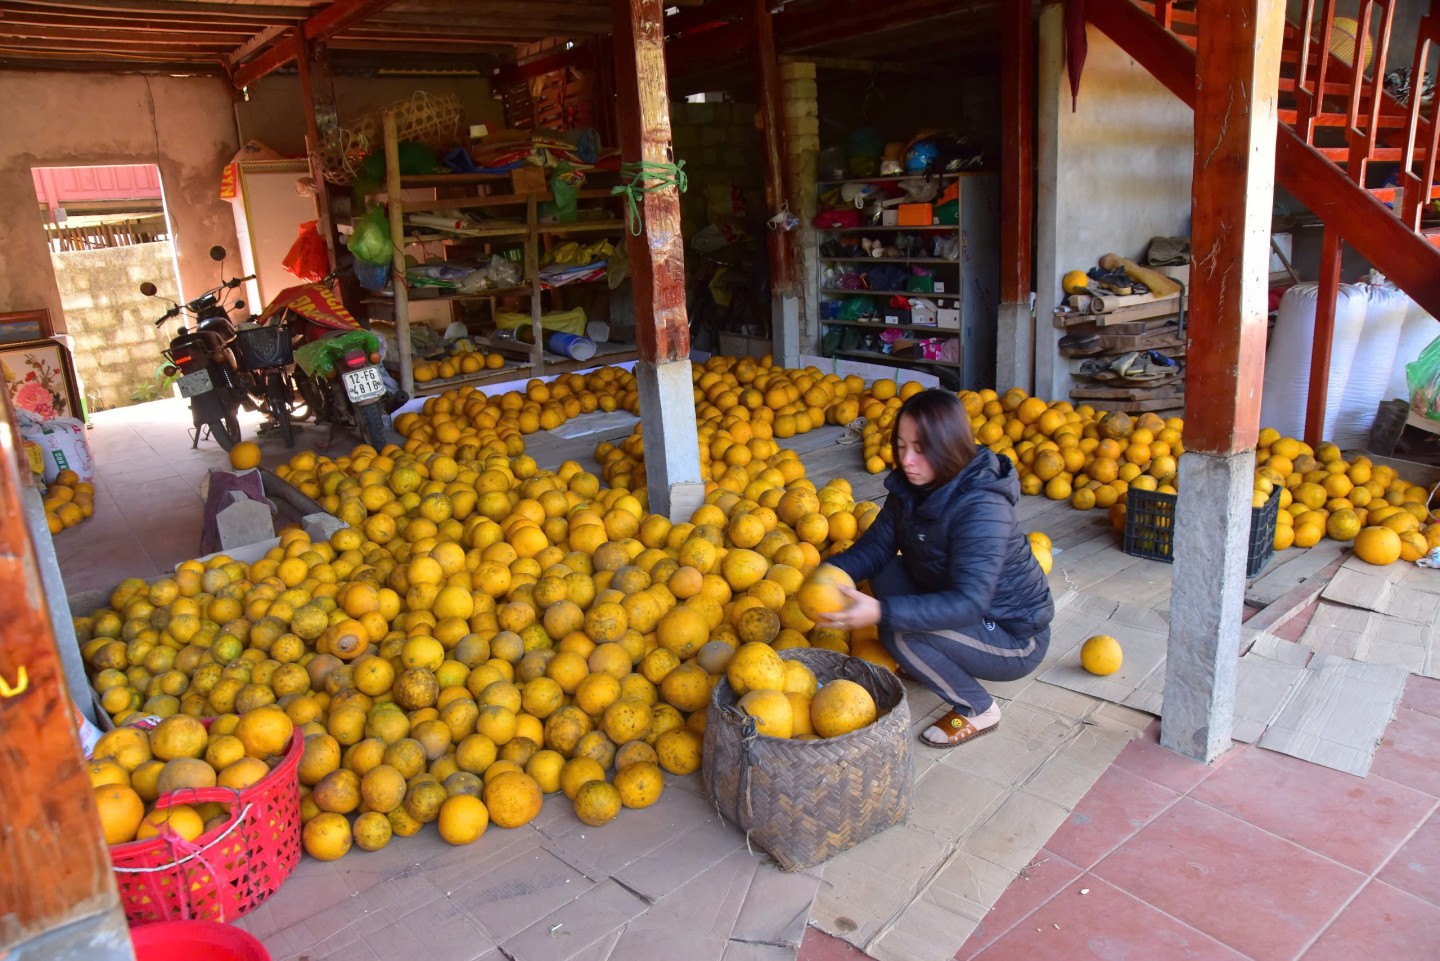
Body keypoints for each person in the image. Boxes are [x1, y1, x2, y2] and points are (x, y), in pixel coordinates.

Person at [822, 389, 1054, 747]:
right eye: (901, 447)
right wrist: (829, 575)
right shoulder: (912, 487)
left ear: (949, 447)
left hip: (1014, 635)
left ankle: (979, 709)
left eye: (921, 448)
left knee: (899, 632)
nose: (908, 460)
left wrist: (882, 611)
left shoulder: (982, 506)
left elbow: (969, 602)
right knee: (883, 571)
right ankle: (930, 657)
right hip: (958, 603)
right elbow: (877, 547)